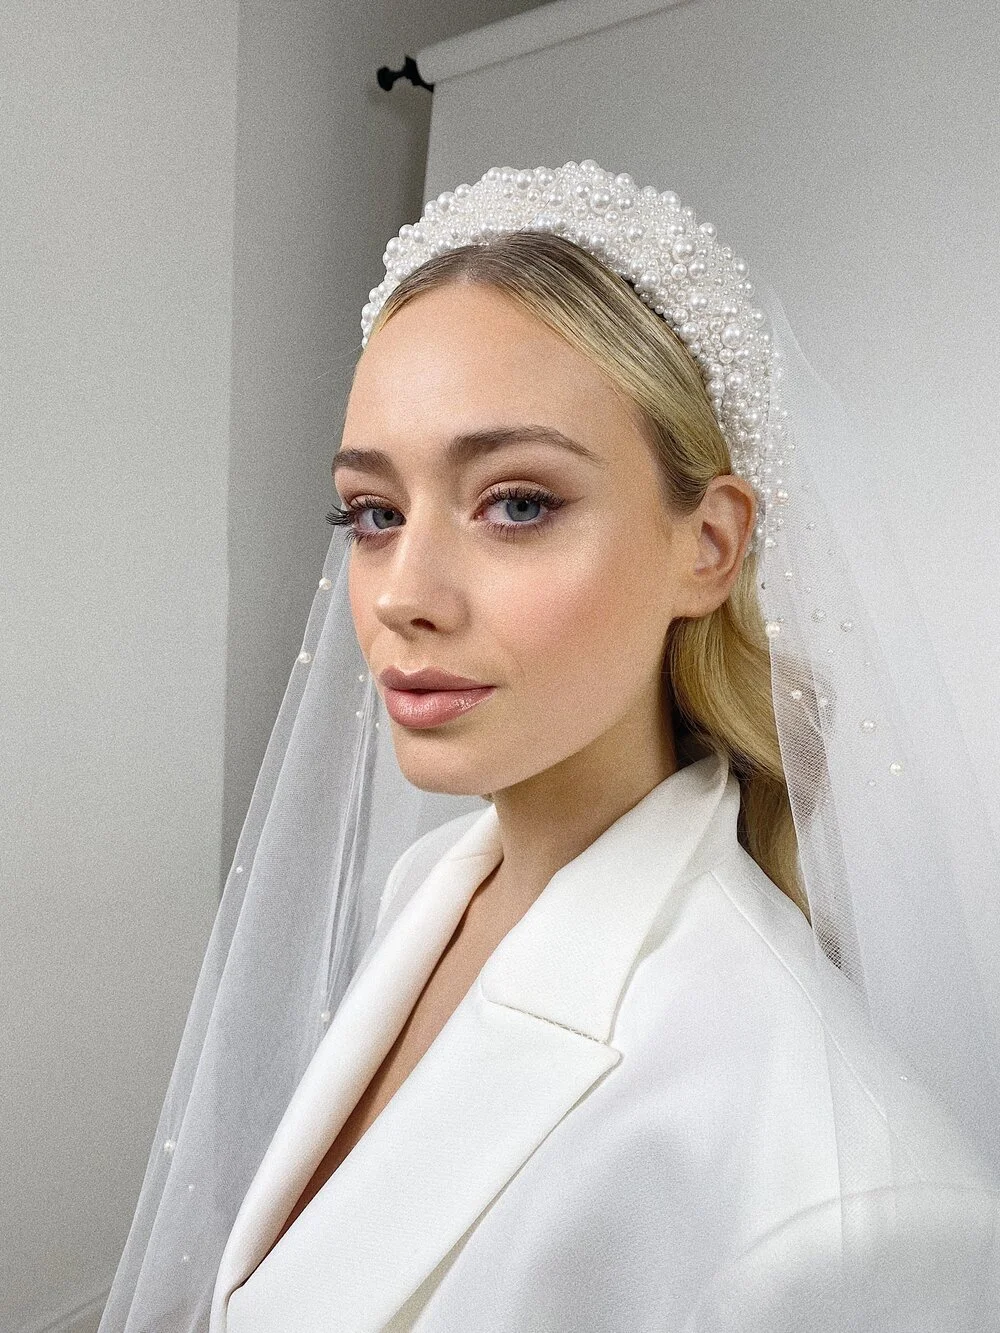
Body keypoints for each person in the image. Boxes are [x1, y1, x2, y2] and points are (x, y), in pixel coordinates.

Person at [100, 162, 1000, 1333]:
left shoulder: (845, 1199)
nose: (400, 597)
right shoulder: (431, 886)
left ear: (709, 545)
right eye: (374, 513)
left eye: (516, 502)